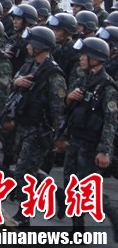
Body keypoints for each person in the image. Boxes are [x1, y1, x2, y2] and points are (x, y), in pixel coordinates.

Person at [1, 26, 66, 226]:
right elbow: (12, 84)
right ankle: (58, 193)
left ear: (40, 46)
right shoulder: (30, 66)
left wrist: (58, 138)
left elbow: (58, 110)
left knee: (23, 172)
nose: (28, 46)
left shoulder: (54, 74)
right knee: (28, 168)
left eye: (31, 43)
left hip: (39, 130)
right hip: (24, 125)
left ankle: (24, 214)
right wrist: (17, 82)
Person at [54, 36, 118, 234]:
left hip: (91, 145)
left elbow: (111, 121)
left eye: (85, 55)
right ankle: (77, 229)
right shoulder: (82, 80)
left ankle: (114, 215)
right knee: (71, 186)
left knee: (89, 190)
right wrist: (69, 99)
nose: (81, 58)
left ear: (96, 58)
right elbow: (71, 113)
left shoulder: (107, 87)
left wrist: (104, 151)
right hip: (76, 140)